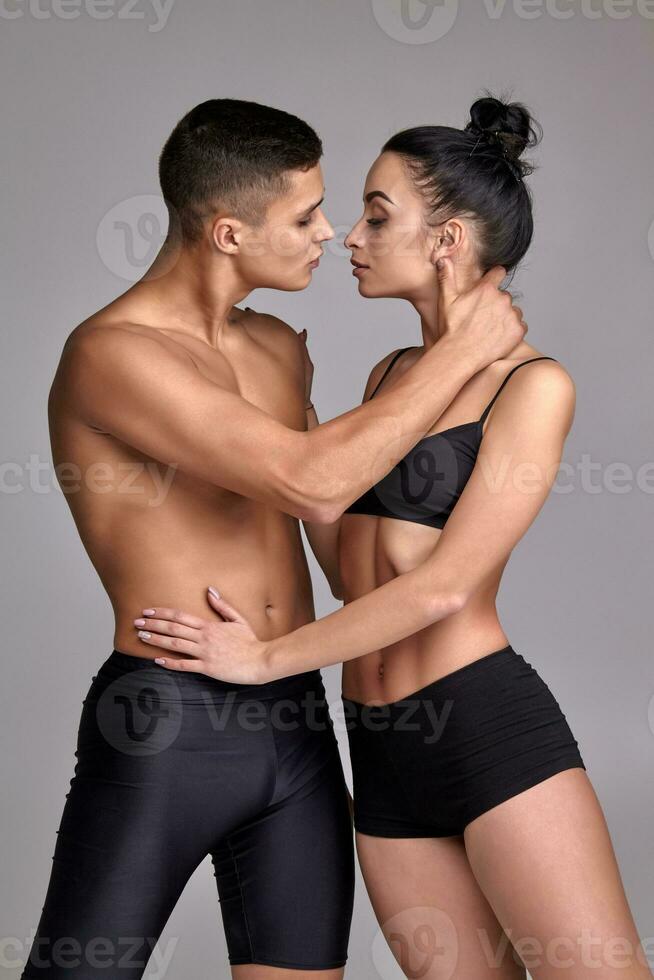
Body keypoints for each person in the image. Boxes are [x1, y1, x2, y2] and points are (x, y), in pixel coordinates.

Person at [138, 96, 653, 979]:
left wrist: (267, 658)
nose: (349, 236)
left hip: (486, 729)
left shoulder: (532, 387)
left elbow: (444, 586)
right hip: (381, 746)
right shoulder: (393, 378)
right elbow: (350, 567)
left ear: (447, 240)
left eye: (378, 215)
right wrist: (286, 411)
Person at [23, 98, 526, 979]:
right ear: (226, 233)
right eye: (305, 216)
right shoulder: (112, 353)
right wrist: (461, 351)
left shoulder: (276, 348)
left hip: (293, 712)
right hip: (170, 715)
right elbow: (307, 476)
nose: (329, 233)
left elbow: (332, 529)